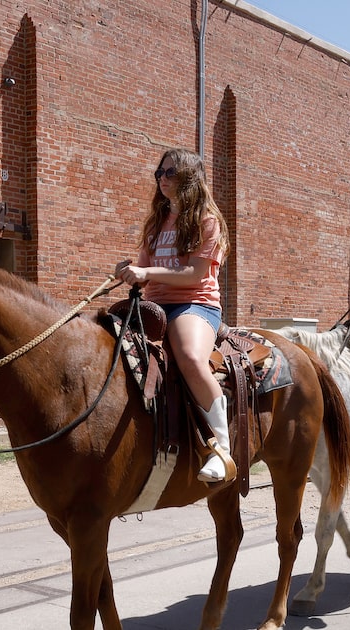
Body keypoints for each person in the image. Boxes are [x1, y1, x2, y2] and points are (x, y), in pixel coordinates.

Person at [114, 148, 235, 483]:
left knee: (189, 356)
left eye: (169, 173)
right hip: (153, 303)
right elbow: (144, 266)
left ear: (188, 178)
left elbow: (195, 275)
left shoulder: (207, 221)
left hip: (194, 303)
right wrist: (129, 270)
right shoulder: (156, 221)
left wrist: (146, 271)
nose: (161, 179)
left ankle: (222, 450)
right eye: (159, 173)